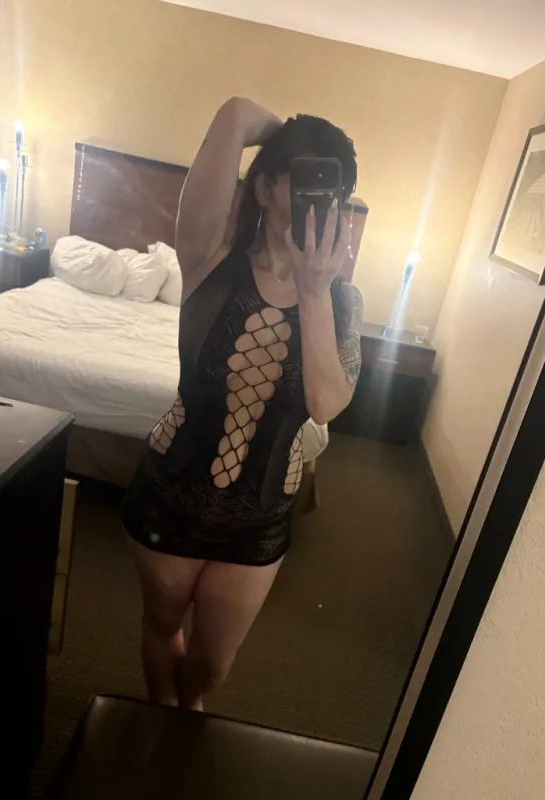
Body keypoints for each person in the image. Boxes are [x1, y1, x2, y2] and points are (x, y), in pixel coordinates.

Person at [122, 97, 364, 711]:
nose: (320, 202)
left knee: (211, 665)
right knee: (161, 627)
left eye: (333, 191)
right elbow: (234, 114)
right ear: (263, 187)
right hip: (169, 490)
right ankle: (165, 722)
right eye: (303, 181)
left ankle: (189, 708)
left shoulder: (344, 303)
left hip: (259, 516)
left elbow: (325, 404)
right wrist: (285, 137)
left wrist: (314, 290)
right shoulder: (208, 256)